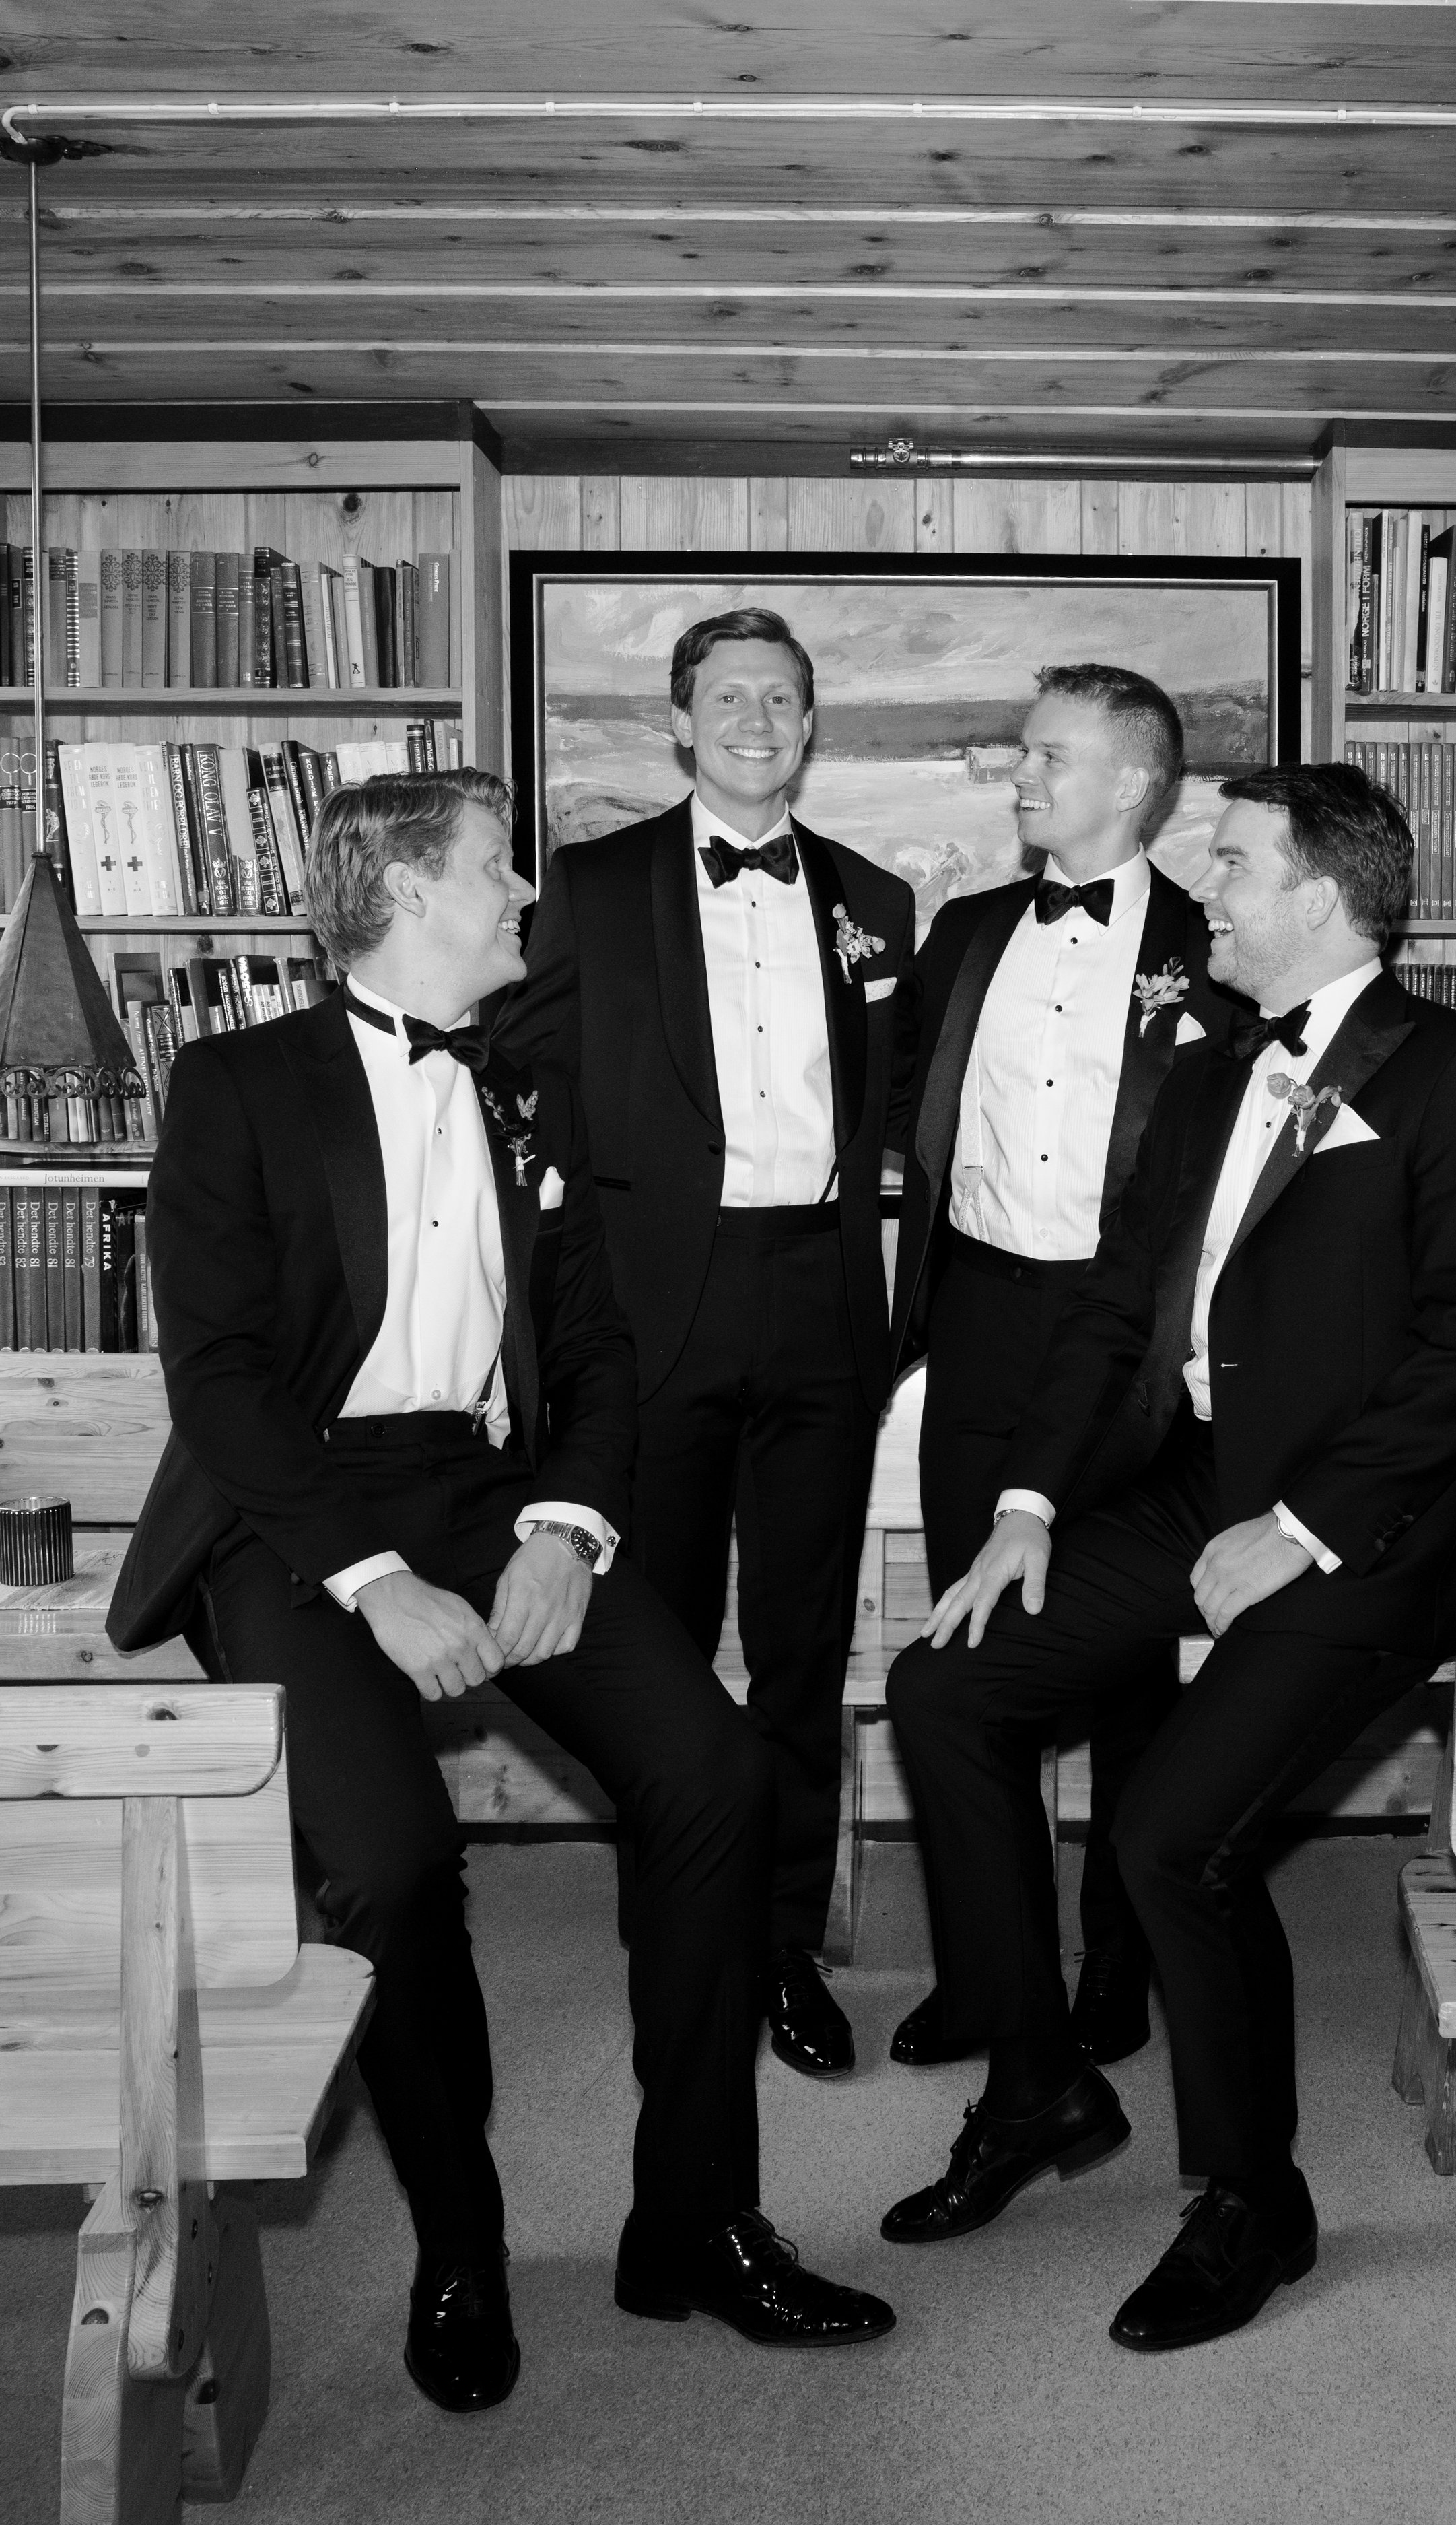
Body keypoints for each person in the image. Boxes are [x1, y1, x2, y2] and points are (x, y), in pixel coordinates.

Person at [108, 770, 894, 2411]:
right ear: (405, 897)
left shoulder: (535, 1081)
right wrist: (373, 1578)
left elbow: (598, 1346)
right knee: (392, 1865)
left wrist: (565, 1527)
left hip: (492, 1493)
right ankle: (458, 2241)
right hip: (298, 1514)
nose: (525, 898)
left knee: (715, 1772)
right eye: (495, 873)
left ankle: (696, 2218)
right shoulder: (235, 1083)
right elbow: (223, 1379)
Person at [878, 762, 1456, 2351]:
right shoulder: (1204, 1078)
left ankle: (1254, 2198)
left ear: (1317, 896)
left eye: (1234, 866)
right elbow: (1118, 1317)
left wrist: (1306, 1529)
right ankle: (1038, 2086)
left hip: (1372, 1539)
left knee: (1170, 1835)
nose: (1211, 896)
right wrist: (1027, 1513)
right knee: (943, 1690)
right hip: (1197, 1497)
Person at [495, 609, 916, 2079]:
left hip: (815, 1294)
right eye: (727, 696)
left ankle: (785, 1940)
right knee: (656, 1655)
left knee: (802, 1647)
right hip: (642, 1303)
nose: (756, 717)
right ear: (679, 725)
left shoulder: (875, 899)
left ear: (811, 724)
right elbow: (507, 1070)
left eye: (782, 697)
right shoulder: (591, 887)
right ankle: (680, 1940)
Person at [886, 664, 1230, 2073]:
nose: (1017, 778)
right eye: (1020, 754)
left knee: (1125, 1659)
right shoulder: (965, 930)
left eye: (1044, 757)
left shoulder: (1217, 947)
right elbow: (894, 1111)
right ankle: (991, 1976)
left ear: (1133, 784)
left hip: (1127, 1342)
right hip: (975, 1318)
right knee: (968, 1654)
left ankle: (1116, 1968)